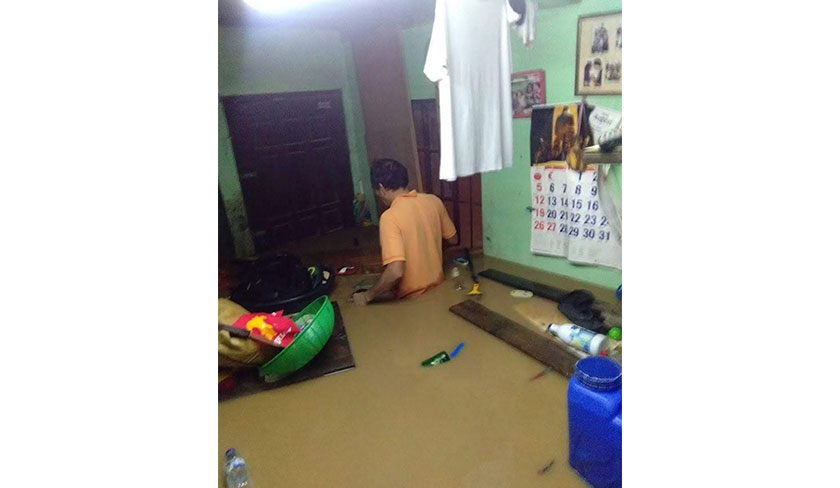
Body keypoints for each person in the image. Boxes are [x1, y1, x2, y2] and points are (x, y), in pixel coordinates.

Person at [352, 158, 457, 306]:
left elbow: (395, 272)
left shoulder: (390, 217)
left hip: (413, 301)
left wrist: (367, 296)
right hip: (439, 290)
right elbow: (453, 239)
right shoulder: (434, 201)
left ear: (381, 188)